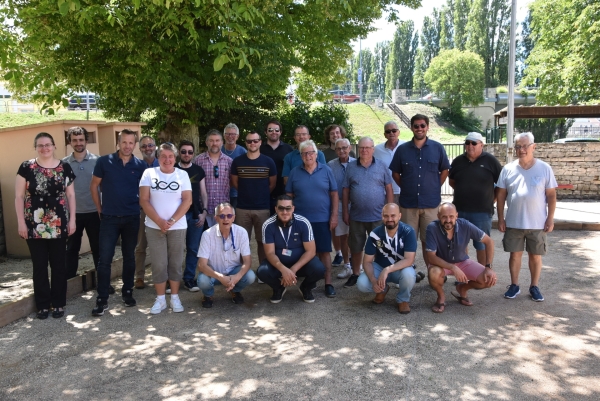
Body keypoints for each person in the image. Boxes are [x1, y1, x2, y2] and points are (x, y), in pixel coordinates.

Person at [15, 132, 76, 319]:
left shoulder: (64, 167)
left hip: (58, 224)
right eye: (40, 145)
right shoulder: (26, 167)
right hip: (34, 224)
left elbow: (71, 195)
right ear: (36, 147)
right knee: (39, 265)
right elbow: (18, 197)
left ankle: (58, 303)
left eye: (48, 144)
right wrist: (21, 223)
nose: (45, 148)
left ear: (54, 146)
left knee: (58, 265)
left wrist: (73, 219)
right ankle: (42, 304)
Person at [90, 129, 146, 316]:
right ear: (118, 143)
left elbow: (145, 192)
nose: (127, 146)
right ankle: (102, 298)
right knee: (104, 259)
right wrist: (100, 209)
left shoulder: (140, 166)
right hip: (109, 218)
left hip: (131, 217)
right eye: (124, 142)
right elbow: (94, 186)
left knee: (129, 256)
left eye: (131, 143)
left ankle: (127, 291)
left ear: (135, 144)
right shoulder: (104, 162)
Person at [497, 132, 557, 302]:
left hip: (537, 223)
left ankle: (534, 286)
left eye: (524, 146)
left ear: (533, 146)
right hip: (514, 222)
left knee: (535, 256)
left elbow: (551, 195)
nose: (521, 149)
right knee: (514, 255)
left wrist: (550, 218)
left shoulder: (544, 168)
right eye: (518, 146)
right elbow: (500, 195)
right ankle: (514, 285)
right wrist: (501, 218)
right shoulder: (508, 169)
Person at [389, 114, 450, 268]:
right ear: (412, 128)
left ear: (427, 127)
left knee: (429, 242)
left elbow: (444, 170)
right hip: (408, 205)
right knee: (407, 242)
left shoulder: (437, 148)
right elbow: (395, 173)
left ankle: (433, 275)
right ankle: (406, 275)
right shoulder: (402, 150)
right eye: (416, 126)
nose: (419, 128)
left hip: (431, 204)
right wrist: (406, 186)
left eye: (422, 125)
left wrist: (435, 185)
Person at [140, 143, 192, 314]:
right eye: (163, 156)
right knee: (159, 263)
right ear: (158, 157)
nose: (167, 160)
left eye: (170, 156)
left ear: (175, 158)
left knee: (176, 263)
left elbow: (187, 200)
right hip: (154, 227)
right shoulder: (149, 173)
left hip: (177, 227)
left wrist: (171, 220)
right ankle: (161, 299)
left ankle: (175, 298)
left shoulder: (182, 175)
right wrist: (159, 221)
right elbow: (144, 200)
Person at [286, 140, 338, 298]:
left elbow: (334, 194)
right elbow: (289, 196)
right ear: (300, 156)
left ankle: (328, 283)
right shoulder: (295, 172)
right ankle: (310, 281)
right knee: (305, 252)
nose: (308, 155)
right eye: (304, 153)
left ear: (316, 154)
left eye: (310, 152)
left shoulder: (326, 170)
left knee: (324, 252)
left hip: (322, 219)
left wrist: (334, 215)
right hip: (300, 221)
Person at [426, 203, 497, 313]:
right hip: (441, 264)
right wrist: (453, 268)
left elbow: (489, 242)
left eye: (451, 216)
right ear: (438, 216)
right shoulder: (432, 228)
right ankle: (441, 296)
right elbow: (431, 257)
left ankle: (462, 289)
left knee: (489, 280)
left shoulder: (465, 225)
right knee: (433, 273)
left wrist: (488, 267)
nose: (448, 220)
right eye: (444, 216)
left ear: (456, 216)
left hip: (463, 261)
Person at [341, 137, 394, 287]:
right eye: (362, 148)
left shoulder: (382, 166)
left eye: (367, 147)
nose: (364, 150)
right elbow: (345, 191)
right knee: (356, 247)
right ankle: (356, 273)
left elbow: (388, 188)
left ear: (373, 149)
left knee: (379, 247)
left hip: (377, 217)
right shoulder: (351, 167)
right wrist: (345, 211)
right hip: (356, 216)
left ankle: (379, 273)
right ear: (358, 149)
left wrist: (389, 211)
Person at [257, 195, 325, 303]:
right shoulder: (268, 225)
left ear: (293, 208)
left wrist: (293, 270)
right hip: (278, 265)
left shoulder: (303, 223)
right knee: (262, 271)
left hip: (300, 264)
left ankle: (305, 288)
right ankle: (278, 288)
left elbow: (311, 251)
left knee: (319, 268)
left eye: (288, 208)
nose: (284, 212)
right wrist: (283, 270)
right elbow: (269, 253)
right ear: (276, 209)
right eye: (281, 208)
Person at [449, 132, 502, 264]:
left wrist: (492, 199)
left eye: (474, 143)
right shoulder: (458, 161)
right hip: (460, 211)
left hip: (482, 212)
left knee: (482, 245)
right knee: (460, 245)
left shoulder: (491, 161)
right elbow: (452, 181)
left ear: (481, 145)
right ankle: (463, 274)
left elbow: (501, 185)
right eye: (467, 143)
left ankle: (483, 273)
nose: (470, 146)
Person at [356, 204, 417, 314]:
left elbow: (409, 260)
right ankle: (382, 289)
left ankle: (403, 299)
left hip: (400, 269)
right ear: (382, 216)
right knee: (362, 283)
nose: (389, 219)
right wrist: (374, 281)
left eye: (393, 216)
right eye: (386, 216)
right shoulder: (375, 234)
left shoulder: (408, 231)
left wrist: (387, 270)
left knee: (409, 275)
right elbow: (367, 261)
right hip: (379, 267)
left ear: (399, 216)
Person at [231, 131, 277, 266]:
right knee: (240, 240)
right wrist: (247, 192)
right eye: (250, 141)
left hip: (262, 208)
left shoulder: (268, 162)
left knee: (262, 241)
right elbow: (235, 182)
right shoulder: (238, 161)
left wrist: (260, 194)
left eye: (255, 141)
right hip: (242, 208)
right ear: (245, 143)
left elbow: (272, 184)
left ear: (260, 142)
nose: (252, 143)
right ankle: (240, 270)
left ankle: (263, 270)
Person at [196, 203, 255, 307]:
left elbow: (247, 261)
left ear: (234, 218)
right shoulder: (207, 234)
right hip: (214, 273)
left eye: (229, 216)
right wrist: (221, 277)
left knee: (250, 276)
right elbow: (201, 265)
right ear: (216, 218)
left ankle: (234, 290)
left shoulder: (242, 232)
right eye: (222, 216)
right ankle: (208, 295)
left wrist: (237, 276)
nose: (226, 219)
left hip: (233, 271)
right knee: (202, 280)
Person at [62, 127, 100, 280]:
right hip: (73, 214)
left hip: (94, 212)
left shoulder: (98, 161)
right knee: (71, 248)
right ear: (69, 142)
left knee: (98, 248)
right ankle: (70, 282)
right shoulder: (63, 164)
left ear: (86, 140)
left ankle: (102, 281)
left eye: (81, 139)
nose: (78, 143)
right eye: (74, 140)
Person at [176, 140, 208, 292]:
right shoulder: (172, 169)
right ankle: (173, 280)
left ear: (193, 154)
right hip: (176, 216)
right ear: (178, 153)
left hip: (195, 214)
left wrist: (204, 212)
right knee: (174, 249)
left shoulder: (198, 170)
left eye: (189, 152)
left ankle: (189, 279)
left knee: (193, 249)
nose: (186, 154)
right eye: (183, 151)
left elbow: (203, 193)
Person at [134, 135, 159, 289]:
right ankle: (139, 276)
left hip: (161, 210)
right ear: (140, 148)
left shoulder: (164, 163)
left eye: (150, 145)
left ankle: (162, 276)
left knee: (161, 246)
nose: (148, 148)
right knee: (141, 245)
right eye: (144, 146)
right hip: (142, 210)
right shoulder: (136, 166)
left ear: (155, 146)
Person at [327, 138, 355, 277]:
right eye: (338, 149)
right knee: (343, 236)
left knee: (356, 235)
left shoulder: (357, 163)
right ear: (335, 150)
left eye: (344, 148)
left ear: (350, 148)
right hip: (338, 203)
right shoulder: (330, 165)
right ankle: (347, 265)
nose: (342, 151)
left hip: (355, 203)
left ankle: (358, 265)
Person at [193, 129, 232, 227]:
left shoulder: (229, 161)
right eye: (211, 140)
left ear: (222, 143)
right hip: (204, 209)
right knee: (205, 239)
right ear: (206, 143)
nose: (214, 143)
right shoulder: (198, 160)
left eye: (217, 140)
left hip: (223, 209)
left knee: (222, 239)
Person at [260, 120, 293, 214]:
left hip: (284, 193)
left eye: (276, 130)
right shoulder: (259, 148)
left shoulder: (288, 149)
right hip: (264, 194)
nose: (274, 132)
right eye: (270, 130)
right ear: (265, 132)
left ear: (280, 132)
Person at [373, 121, 405, 205]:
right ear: (384, 134)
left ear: (399, 132)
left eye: (394, 130)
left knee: (404, 218)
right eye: (388, 131)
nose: (391, 133)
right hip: (384, 192)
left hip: (404, 191)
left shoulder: (407, 147)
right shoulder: (377, 150)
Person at [221, 123, 247, 208]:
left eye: (233, 134)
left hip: (236, 193)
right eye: (227, 134)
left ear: (237, 136)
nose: (230, 136)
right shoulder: (218, 149)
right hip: (220, 192)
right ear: (224, 135)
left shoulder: (243, 152)